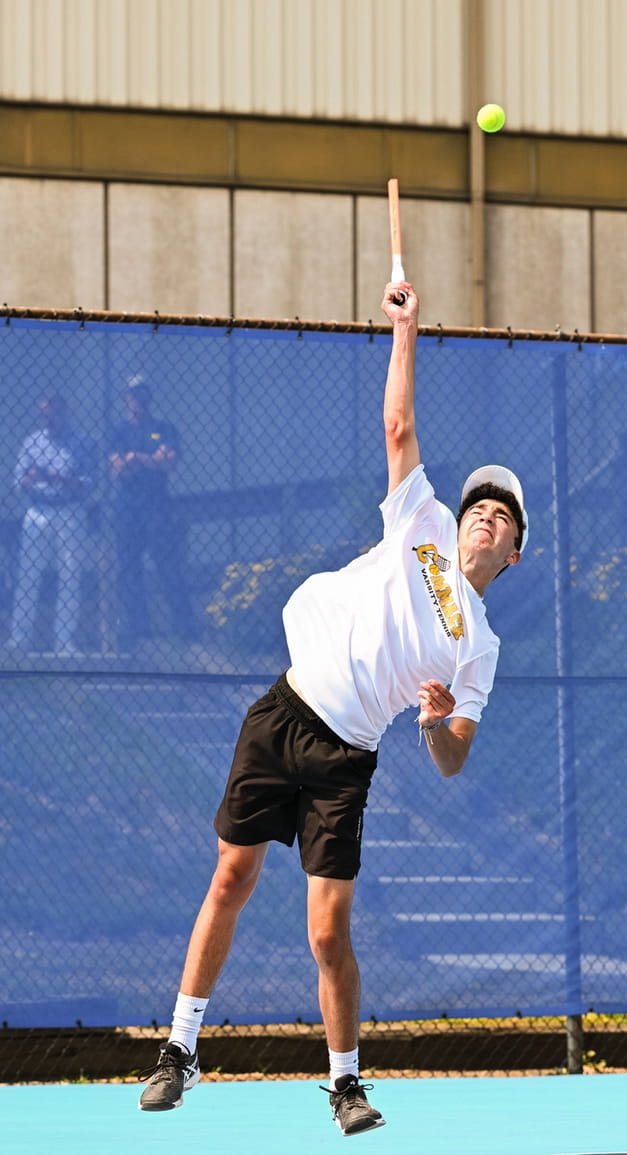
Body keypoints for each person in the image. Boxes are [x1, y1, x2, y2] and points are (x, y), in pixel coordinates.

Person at [137, 281, 529, 1134]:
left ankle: (346, 1083)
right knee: (231, 876)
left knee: (326, 931)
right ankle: (180, 1048)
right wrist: (406, 329)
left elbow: (457, 751)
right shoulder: (417, 518)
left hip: (347, 758)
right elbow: (397, 424)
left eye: (503, 518)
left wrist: (433, 720)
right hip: (284, 713)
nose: (486, 519)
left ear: (514, 552)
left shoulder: (480, 648)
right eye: (481, 508)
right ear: (457, 521)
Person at [107, 377, 197, 651]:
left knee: (167, 565)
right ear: (126, 399)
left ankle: (184, 628)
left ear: (149, 398)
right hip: (127, 507)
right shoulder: (117, 431)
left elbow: (169, 462)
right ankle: (136, 627)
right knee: (129, 567)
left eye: (142, 394)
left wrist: (135, 458)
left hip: (158, 506)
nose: (138, 400)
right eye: (133, 395)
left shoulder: (163, 428)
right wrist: (150, 459)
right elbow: (117, 469)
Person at [9, 394, 98, 656]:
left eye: (52, 414)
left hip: (70, 510)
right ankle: (19, 640)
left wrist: (60, 479)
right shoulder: (32, 442)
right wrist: (34, 478)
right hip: (38, 511)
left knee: (70, 574)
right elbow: (18, 482)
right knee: (28, 574)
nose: (48, 420)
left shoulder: (83, 441)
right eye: (44, 415)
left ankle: (64, 642)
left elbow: (91, 481)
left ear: (64, 412)